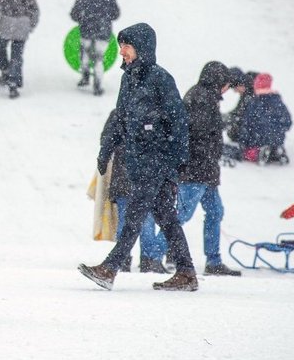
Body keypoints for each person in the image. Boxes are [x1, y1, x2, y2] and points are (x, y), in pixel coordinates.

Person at [78, 23, 198, 291]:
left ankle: (110, 268)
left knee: (134, 215)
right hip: (138, 160)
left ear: (142, 48)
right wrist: (106, 148)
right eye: (121, 45)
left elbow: (179, 122)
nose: (122, 51)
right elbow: (120, 118)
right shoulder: (128, 78)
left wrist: (176, 160)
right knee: (165, 217)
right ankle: (187, 272)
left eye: (127, 46)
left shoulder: (160, 79)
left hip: (158, 159)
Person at [153, 61, 242, 276]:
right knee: (181, 214)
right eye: (226, 85)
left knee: (215, 211)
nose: (226, 89)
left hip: (206, 171)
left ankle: (213, 260)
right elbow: (198, 135)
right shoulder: (201, 99)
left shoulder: (205, 97)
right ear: (218, 81)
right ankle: (153, 256)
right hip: (196, 170)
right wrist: (210, 153)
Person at [99, 110, 163, 272]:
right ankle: (148, 259)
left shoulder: (119, 113)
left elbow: (106, 139)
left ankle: (123, 258)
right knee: (146, 219)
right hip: (144, 176)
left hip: (123, 175)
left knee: (125, 219)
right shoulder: (153, 114)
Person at [69, 0, 120, 95]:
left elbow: (74, 14)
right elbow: (116, 14)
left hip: (86, 28)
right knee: (99, 58)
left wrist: (83, 18)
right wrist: (105, 17)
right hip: (103, 30)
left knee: (85, 53)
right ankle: (97, 85)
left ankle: (85, 77)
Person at [239, 72, 292, 163]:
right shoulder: (277, 102)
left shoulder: (254, 103)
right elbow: (288, 121)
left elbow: (247, 123)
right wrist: (279, 131)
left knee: (246, 153)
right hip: (277, 138)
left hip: (258, 138)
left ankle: (259, 151)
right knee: (271, 137)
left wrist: (243, 142)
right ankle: (276, 150)